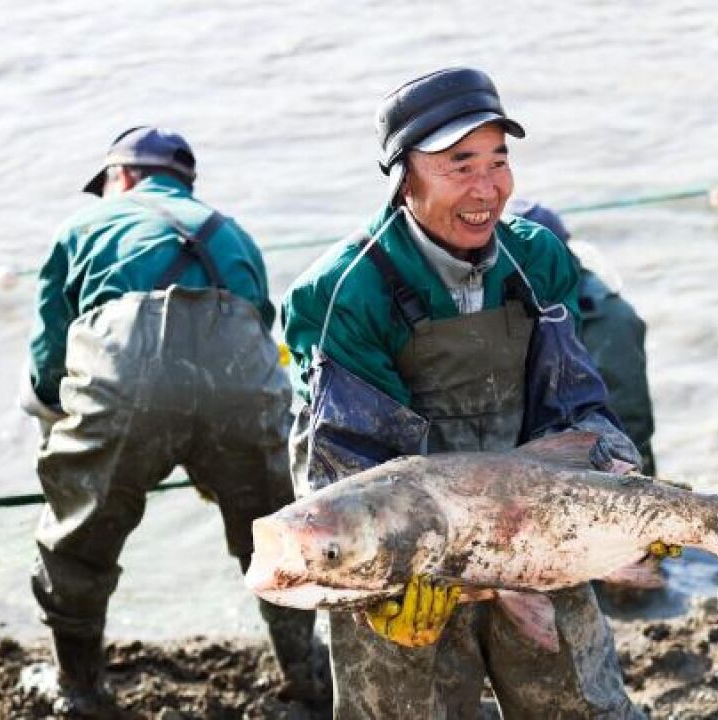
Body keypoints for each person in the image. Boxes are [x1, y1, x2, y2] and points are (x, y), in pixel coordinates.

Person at [282, 68, 654, 718]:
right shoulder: (344, 290)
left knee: (584, 706)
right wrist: (381, 594)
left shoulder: (536, 259)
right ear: (405, 175)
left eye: (499, 160)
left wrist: (616, 478)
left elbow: (573, 405)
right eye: (460, 166)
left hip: (531, 534)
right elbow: (342, 471)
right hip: (402, 563)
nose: (488, 189)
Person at [19, 126, 318, 714]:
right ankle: (303, 676)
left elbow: (48, 357)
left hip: (126, 383)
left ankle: (79, 689)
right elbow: (261, 324)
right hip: (240, 385)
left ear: (122, 177)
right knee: (274, 534)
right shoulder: (233, 232)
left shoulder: (83, 227)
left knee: (77, 543)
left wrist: (60, 433)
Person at [511, 200, 658, 475]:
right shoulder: (513, 303)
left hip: (604, 462)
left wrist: (636, 478)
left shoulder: (610, 318)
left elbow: (630, 414)